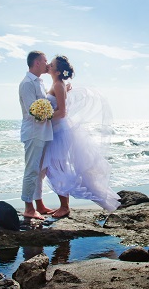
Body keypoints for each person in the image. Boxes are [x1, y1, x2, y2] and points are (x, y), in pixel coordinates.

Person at [41, 55, 121, 218]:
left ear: (57, 71)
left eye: (52, 64)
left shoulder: (57, 84)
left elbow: (62, 112)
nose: (48, 64)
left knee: (58, 168)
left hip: (60, 134)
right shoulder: (58, 84)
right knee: (53, 168)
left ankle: (65, 207)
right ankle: (61, 205)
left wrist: (44, 117)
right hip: (57, 131)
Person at [18, 50, 55, 220]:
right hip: (33, 132)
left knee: (41, 171)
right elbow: (33, 110)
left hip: (43, 132)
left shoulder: (39, 82)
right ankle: (28, 207)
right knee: (32, 169)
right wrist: (55, 112)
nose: (47, 64)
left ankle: (39, 203)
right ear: (37, 63)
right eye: (45, 61)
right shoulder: (27, 83)